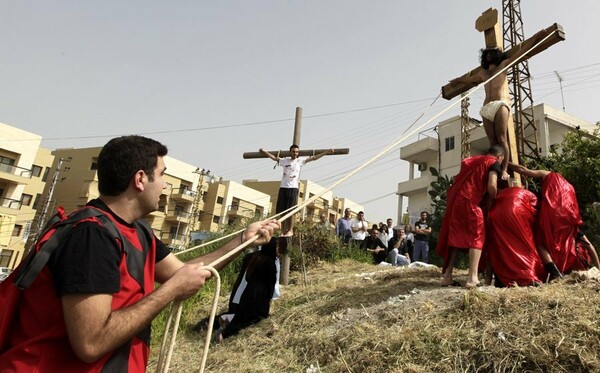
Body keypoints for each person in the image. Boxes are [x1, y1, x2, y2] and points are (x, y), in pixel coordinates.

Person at [0, 136, 279, 372]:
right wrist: (170, 291)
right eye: (163, 174)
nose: (166, 185)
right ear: (141, 179)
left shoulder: (139, 233)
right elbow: (91, 342)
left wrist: (244, 239)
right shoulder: (91, 236)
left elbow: (183, 273)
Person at [449, 30, 547, 181]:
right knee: (492, 142)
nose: (488, 55)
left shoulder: (503, 65)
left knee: (502, 138)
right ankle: (495, 167)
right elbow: (468, 80)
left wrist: (535, 37)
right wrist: (457, 81)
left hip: (500, 104)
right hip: (486, 108)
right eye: (486, 53)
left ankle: (505, 169)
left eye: (491, 53)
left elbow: (521, 52)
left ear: (496, 55)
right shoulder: (482, 73)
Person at [509, 163, 600, 279]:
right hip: (568, 217)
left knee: (540, 240)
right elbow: (589, 245)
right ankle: (596, 268)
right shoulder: (568, 185)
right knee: (574, 241)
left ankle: (554, 272)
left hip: (552, 213)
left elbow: (523, 170)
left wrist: (506, 164)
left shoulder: (547, 174)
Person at [194, 237, 287, 342]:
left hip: (240, 293)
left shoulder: (252, 256)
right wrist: (270, 298)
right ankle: (223, 333)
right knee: (250, 320)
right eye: (277, 247)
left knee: (237, 314)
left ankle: (209, 322)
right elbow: (270, 284)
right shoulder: (270, 262)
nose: (279, 250)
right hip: (255, 298)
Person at [436, 145, 504, 289]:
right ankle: (472, 278)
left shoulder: (473, 160)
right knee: (477, 235)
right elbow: (492, 186)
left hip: (456, 201)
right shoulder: (493, 163)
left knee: (455, 237)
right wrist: (497, 198)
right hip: (470, 200)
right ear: (499, 156)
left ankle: (447, 276)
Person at [259, 145, 333, 236]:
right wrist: (264, 152)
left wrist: (326, 152)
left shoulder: (299, 161)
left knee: (291, 211)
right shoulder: (284, 160)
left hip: (293, 188)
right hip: (283, 187)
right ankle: (283, 230)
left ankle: (290, 230)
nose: (295, 153)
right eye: (293, 151)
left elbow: (314, 158)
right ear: (290, 152)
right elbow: (274, 158)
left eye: (297, 152)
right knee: (282, 211)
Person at [486, 187, 544, 287]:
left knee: (498, 246)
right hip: (515, 212)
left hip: (494, 213)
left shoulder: (508, 192)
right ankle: (527, 278)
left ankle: (495, 279)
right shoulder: (532, 197)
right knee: (524, 247)